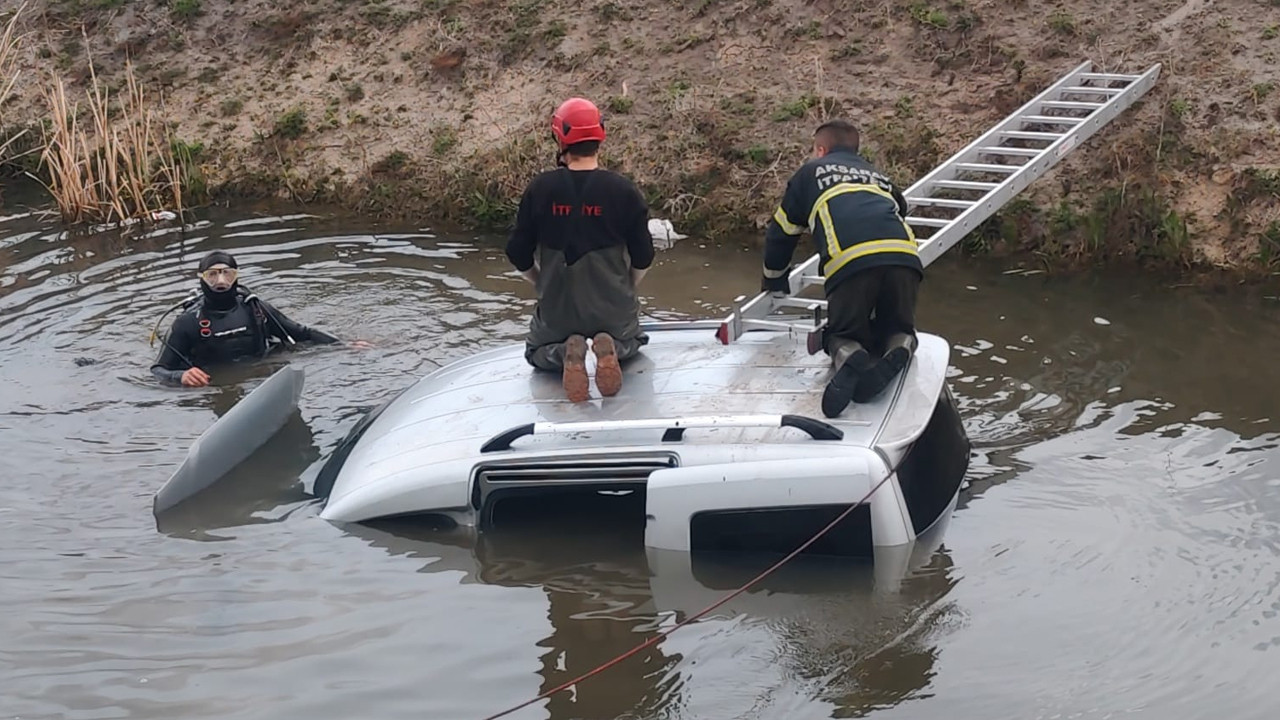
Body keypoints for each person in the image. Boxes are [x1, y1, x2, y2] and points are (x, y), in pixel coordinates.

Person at [760, 119, 924, 418]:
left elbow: (782, 233)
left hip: (851, 261)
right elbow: (900, 209)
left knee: (842, 332)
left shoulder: (809, 173)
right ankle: (901, 344)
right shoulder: (878, 175)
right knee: (896, 326)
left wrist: (774, 280)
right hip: (904, 257)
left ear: (821, 150)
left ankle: (849, 353)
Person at [505, 97, 656, 403]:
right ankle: (611, 346)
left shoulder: (540, 189)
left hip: (557, 310)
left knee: (535, 352)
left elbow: (517, 252)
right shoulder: (623, 191)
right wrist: (627, 285)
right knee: (635, 340)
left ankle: (565, 352)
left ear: (561, 140)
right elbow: (644, 255)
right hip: (613, 308)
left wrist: (540, 283)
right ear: (600, 137)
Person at [150, 250, 347, 387]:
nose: (221, 282)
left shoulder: (255, 309)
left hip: (259, 379)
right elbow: (158, 370)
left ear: (236, 277)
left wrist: (344, 345)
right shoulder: (187, 322)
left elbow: (303, 334)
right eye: (212, 275)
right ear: (202, 279)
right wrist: (181, 376)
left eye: (227, 274)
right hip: (213, 385)